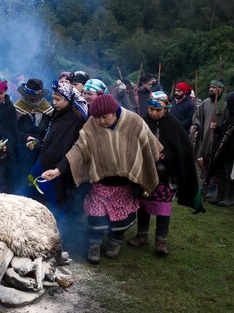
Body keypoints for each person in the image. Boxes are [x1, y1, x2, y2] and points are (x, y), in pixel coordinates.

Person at [41, 94, 162, 265]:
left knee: (120, 219)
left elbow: (149, 145)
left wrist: (153, 164)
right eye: (96, 118)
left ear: (114, 111)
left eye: (104, 117)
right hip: (101, 183)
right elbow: (78, 149)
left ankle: (115, 241)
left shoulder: (134, 121)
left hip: (125, 184)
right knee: (96, 216)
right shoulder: (92, 124)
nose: (101, 122)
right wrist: (58, 170)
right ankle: (94, 245)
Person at [129, 91, 204, 256]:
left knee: (163, 208)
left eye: (158, 110)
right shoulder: (142, 122)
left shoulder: (173, 124)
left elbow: (183, 149)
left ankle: (161, 241)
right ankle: (142, 235)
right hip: (145, 173)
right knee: (143, 205)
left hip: (166, 176)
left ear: (166, 109)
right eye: (151, 109)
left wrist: (167, 154)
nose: (154, 113)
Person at [26, 81, 88, 248]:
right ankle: (41, 235)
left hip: (57, 167)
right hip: (49, 163)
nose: (54, 103)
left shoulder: (71, 120)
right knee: (43, 200)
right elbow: (50, 138)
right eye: (53, 99)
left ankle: (57, 239)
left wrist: (46, 166)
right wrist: (38, 143)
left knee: (54, 203)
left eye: (58, 100)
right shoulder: (59, 114)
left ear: (68, 99)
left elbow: (62, 147)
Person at [191, 79, 227, 198]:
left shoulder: (225, 104)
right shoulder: (206, 102)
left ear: (221, 90)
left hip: (218, 138)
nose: (211, 89)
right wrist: (196, 125)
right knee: (205, 161)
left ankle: (213, 187)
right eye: (210, 87)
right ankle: (206, 184)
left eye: (215, 87)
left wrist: (218, 127)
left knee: (215, 162)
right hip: (206, 137)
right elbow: (198, 117)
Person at [14, 78, 53, 184]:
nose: (35, 101)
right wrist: (25, 137)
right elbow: (11, 129)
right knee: (19, 179)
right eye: (32, 98)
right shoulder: (16, 108)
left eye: (37, 98)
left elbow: (50, 130)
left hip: (40, 151)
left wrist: (39, 141)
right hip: (20, 150)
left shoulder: (48, 110)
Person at [204, 92, 234, 206]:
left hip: (231, 153)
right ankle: (220, 195)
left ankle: (229, 197)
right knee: (221, 174)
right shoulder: (229, 116)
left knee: (230, 176)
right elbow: (224, 132)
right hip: (223, 151)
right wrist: (217, 128)